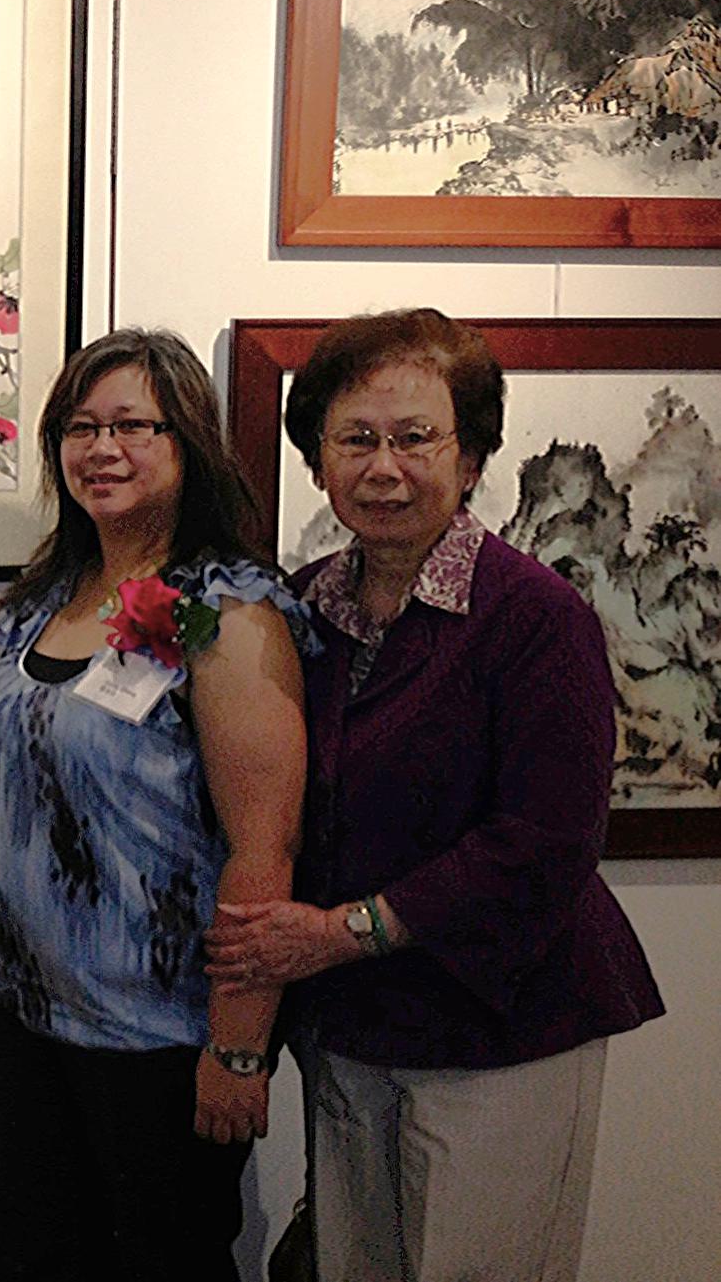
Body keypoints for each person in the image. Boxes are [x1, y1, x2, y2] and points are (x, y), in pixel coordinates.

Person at [206, 309, 664, 1282]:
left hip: (504, 1030)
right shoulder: (302, 608)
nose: (384, 468)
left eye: (415, 438)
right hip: (355, 1034)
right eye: (355, 439)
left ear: (470, 457)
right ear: (317, 459)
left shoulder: (534, 616)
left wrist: (340, 933)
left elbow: (542, 842)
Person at [0, 327, 308, 1282]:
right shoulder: (52, 597)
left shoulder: (223, 612)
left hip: (153, 1044)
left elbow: (264, 846)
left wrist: (239, 1050)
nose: (100, 449)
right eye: (79, 427)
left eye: (131, 426)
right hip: (28, 1024)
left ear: (188, 441)